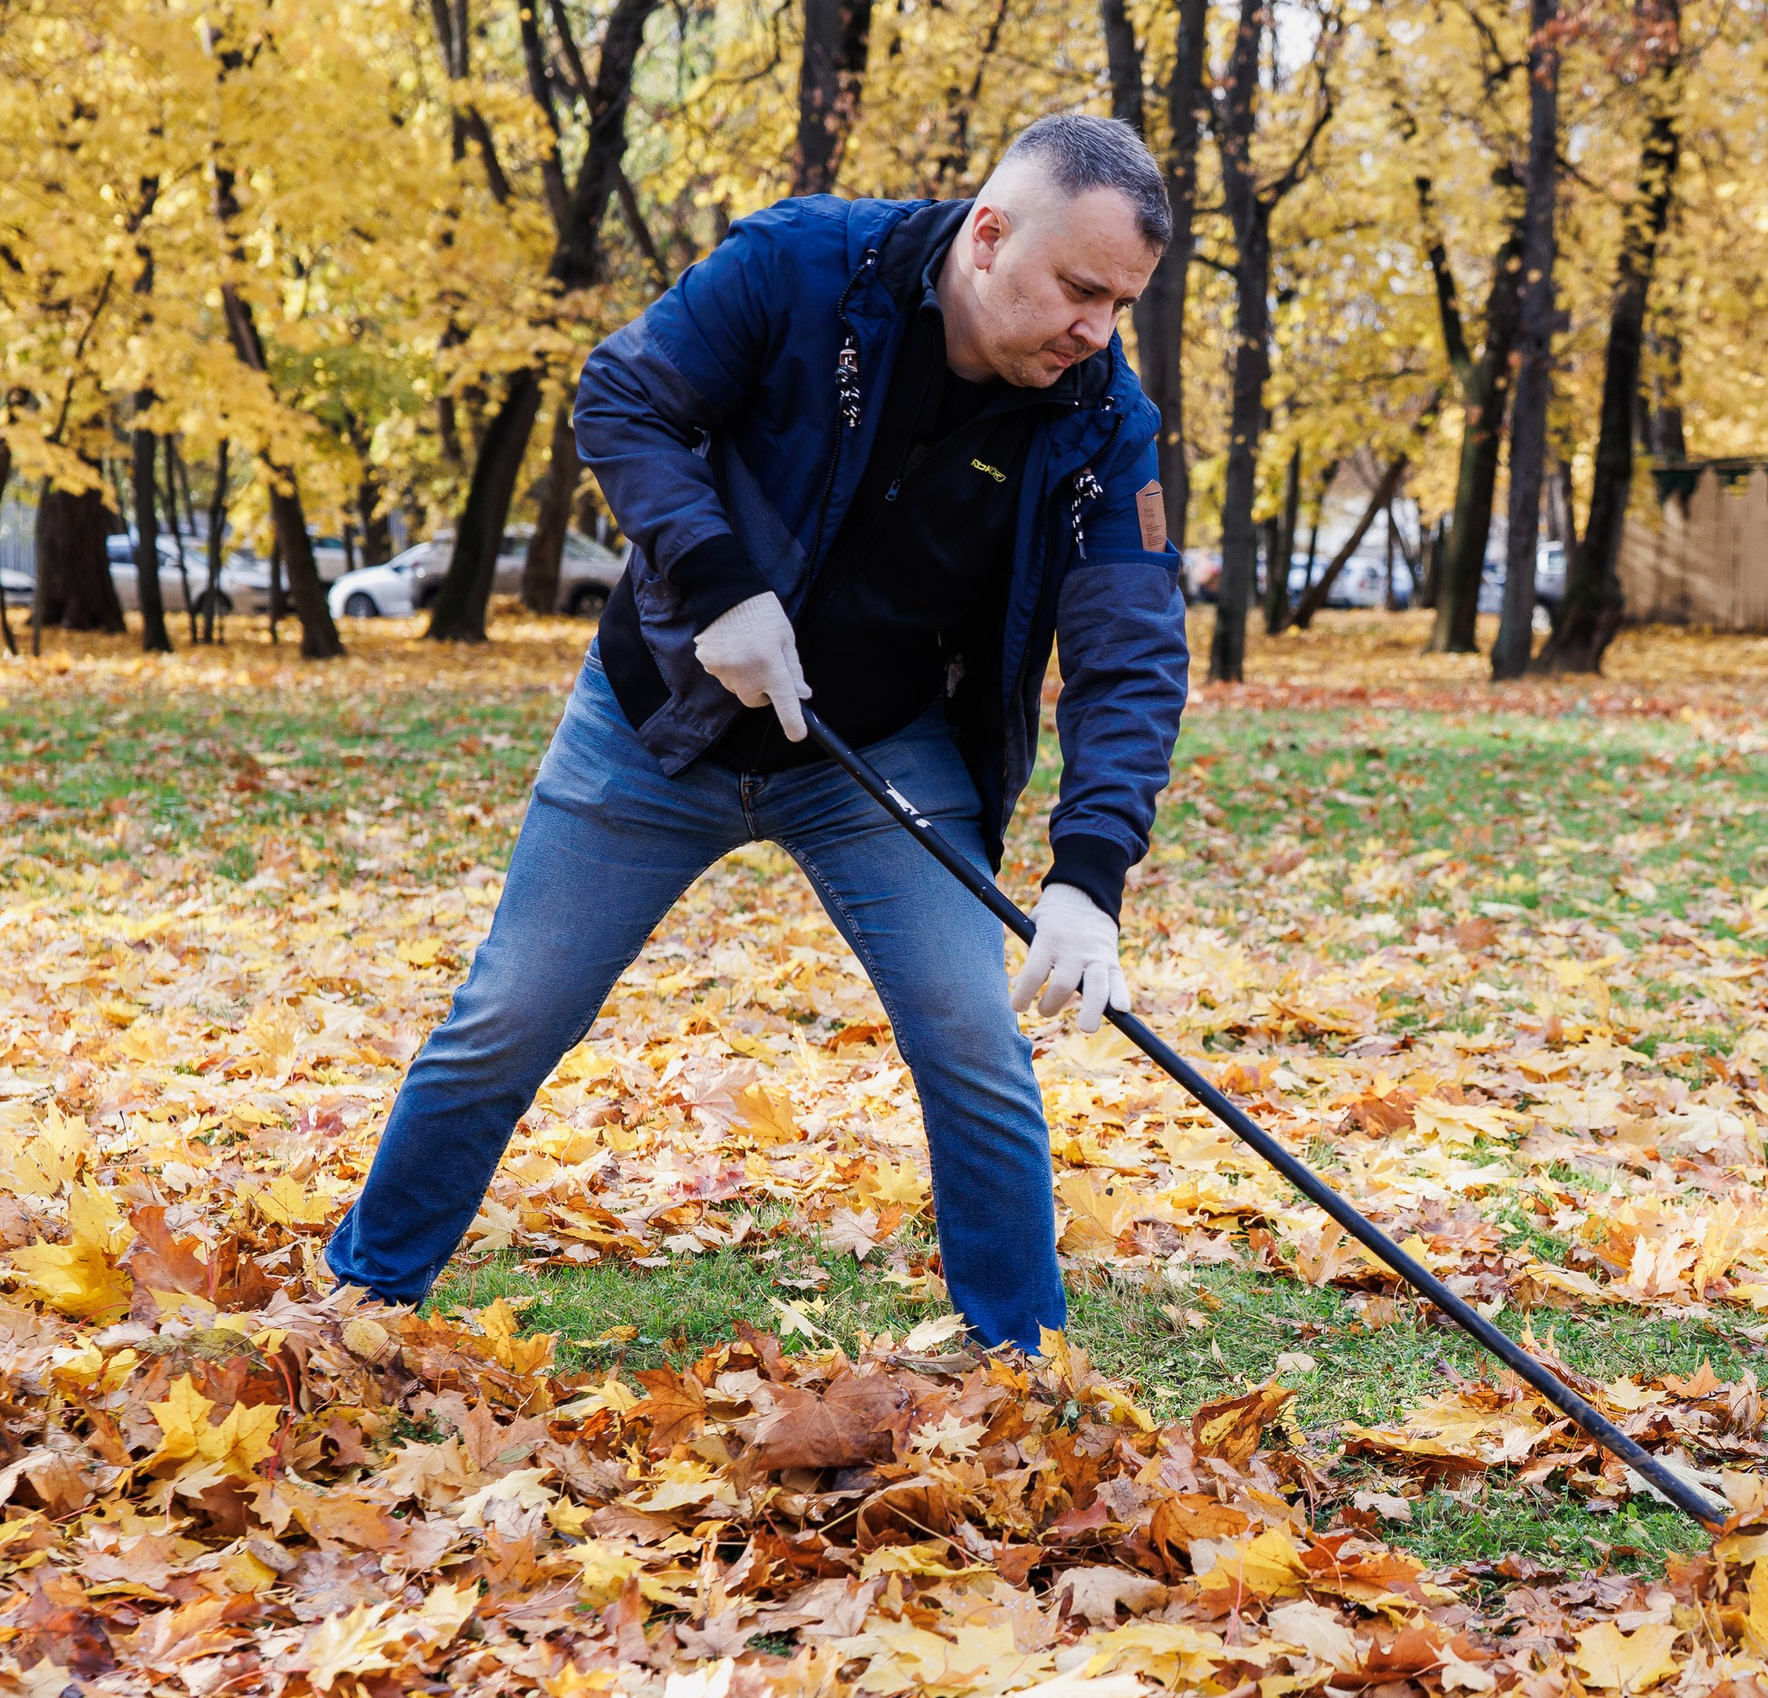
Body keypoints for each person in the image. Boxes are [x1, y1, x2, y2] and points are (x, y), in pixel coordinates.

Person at [322, 114, 1188, 1353]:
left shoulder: (1102, 419)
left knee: (973, 1042)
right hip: (658, 726)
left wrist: (1089, 878)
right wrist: (721, 585)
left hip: (877, 758)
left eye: (1122, 304)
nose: (1096, 332)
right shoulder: (804, 267)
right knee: (509, 1016)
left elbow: (1130, 646)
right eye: (1081, 290)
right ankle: (361, 1298)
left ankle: (1020, 1362)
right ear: (990, 235)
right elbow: (624, 396)